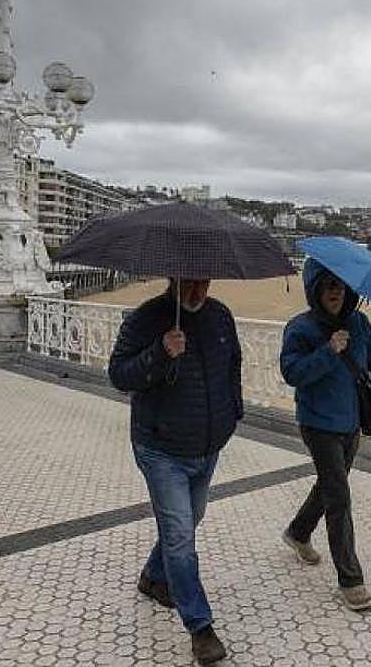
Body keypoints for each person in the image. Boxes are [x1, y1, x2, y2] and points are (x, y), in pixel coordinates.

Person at [279, 259, 371, 611]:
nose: (335, 291)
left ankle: (298, 532)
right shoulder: (300, 328)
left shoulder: (358, 324)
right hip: (317, 424)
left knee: (330, 486)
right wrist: (328, 352)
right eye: (328, 284)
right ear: (315, 288)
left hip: (351, 423)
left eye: (341, 285)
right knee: (339, 498)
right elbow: (292, 372)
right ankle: (350, 579)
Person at [107, 278, 242, 666]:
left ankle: (154, 576)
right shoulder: (146, 319)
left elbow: (233, 366)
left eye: (204, 281)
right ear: (173, 278)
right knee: (181, 536)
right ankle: (200, 627)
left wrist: (233, 413)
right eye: (190, 282)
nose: (198, 291)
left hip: (207, 445)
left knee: (189, 518)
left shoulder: (220, 316)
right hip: (161, 448)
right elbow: (118, 375)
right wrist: (161, 352)